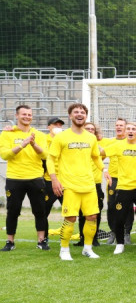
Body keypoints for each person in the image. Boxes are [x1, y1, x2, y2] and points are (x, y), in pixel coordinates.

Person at [47, 103, 103, 260]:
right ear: (70, 116)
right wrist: (54, 179)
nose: (80, 114)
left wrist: (104, 170)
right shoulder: (61, 137)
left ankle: (87, 248)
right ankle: (64, 250)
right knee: (70, 218)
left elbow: (96, 157)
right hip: (70, 185)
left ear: (86, 116)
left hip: (89, 185)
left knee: (92, 217)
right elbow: (51, 159)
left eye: (82, 112)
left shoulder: (91, 137)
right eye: (76, 112)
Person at [0, 105, 49, 251]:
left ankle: (41, 241)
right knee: (13, 211)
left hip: (36, 178)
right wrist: (22, 144)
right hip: (14, 178)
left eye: (29, 114)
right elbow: (5, 155)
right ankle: (10, 242)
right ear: (17, 116)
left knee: (40, 211)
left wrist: (33, 144)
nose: (27, 117)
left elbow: (45, 155)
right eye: (24, 114)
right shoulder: (7, 133)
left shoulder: (39, 135)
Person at [102, 120, 136, 254]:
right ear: (125, 131)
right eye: (128, 129)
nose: (130, 131)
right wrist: (103, 169)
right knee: (119, 217)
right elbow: (99, 152)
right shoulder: (118, 145)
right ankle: (120, 244)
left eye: (133, 129)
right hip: (123, 187)